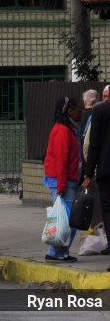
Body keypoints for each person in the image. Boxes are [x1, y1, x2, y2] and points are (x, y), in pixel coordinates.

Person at [43, 96, 82, 262]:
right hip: (62, 182)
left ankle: (60, 252)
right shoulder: (62, 131)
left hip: (67, 181)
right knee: (66, 221)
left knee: (67, 221)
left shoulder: (70, 129)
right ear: (70, 110)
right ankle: (55, 252)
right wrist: (61, 185)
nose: (81, 113)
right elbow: (61, 160)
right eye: (78, 110)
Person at [83, 95, 110, 262]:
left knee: (107, 208)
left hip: (106, 169)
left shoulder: (100, 110)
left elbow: (94, 144)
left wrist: (88, 173)